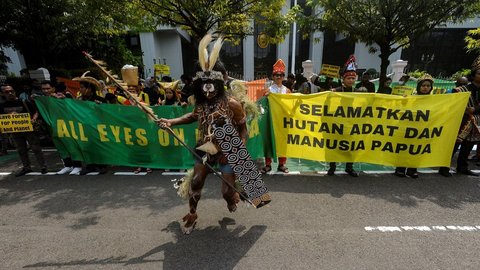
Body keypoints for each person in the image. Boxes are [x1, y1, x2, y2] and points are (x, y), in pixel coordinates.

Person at [156, 35, 249, 234]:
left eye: (211, 89)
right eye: (204, 89)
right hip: (206, 146)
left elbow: (243, 129)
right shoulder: (202, 103)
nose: (208, 93)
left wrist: (237, 150)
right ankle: (192, 211)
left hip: (227, 149)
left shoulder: (232, 104)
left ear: (218, 85)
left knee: (226, 192)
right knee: (196, 180)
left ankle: (232, 196)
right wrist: (170, 122)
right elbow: (192, 116)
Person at [0, 84, 47, 176]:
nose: (10, 93)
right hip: (15, 132)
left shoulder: (24, 101)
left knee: (36, 148)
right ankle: (26, 167)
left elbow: (36, 112)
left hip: (29, 130)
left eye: (12, 91)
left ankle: (43, 166)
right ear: (2, 94)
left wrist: (33, 119)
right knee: (21, 150)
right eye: (7, 92)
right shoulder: (2, 106)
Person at [328, 55, 359, 177]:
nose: (351, 80)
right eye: (349, 78)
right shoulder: (336, 91)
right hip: (337, 124)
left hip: (351, 125)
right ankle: (332, 167)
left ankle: (349, 167)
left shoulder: (358, 93)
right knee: (334, 146)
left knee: (351, 147)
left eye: (353, 78)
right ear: (343, 79)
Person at [72, 72, 107, 175]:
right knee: (86, 146)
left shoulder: (100, 100)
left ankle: (102, 165)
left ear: (89, 89)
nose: (80, 90)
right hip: (84, 128)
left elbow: (107, 114)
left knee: (99, 146)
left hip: (97, 128)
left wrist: (100, 107)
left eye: (82, 87)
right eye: (80, 87)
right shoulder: (79, 100)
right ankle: (90, 166)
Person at [451, 56, 480, 176]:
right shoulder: (462, 90)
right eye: (479, 72)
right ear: (474, 74)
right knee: (453, 145)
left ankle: (462, 167)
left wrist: (475, 109)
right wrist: (465, 110)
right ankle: (444, 167)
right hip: (462, 121)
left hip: (476, 122)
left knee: (468, 147)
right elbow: (453, 105)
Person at [261, 59, 289, 174]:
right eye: (276, 75)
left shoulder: (287, 91)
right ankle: (268, 164)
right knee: (268, 141)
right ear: (272, 76)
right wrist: (267, 97)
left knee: (283, 142)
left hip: (282, 122)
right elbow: (262, 106)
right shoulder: (268, 91)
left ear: (283, 77)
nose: (278, 77)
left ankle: (282, 164)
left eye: (281, 75)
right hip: (271, 120)